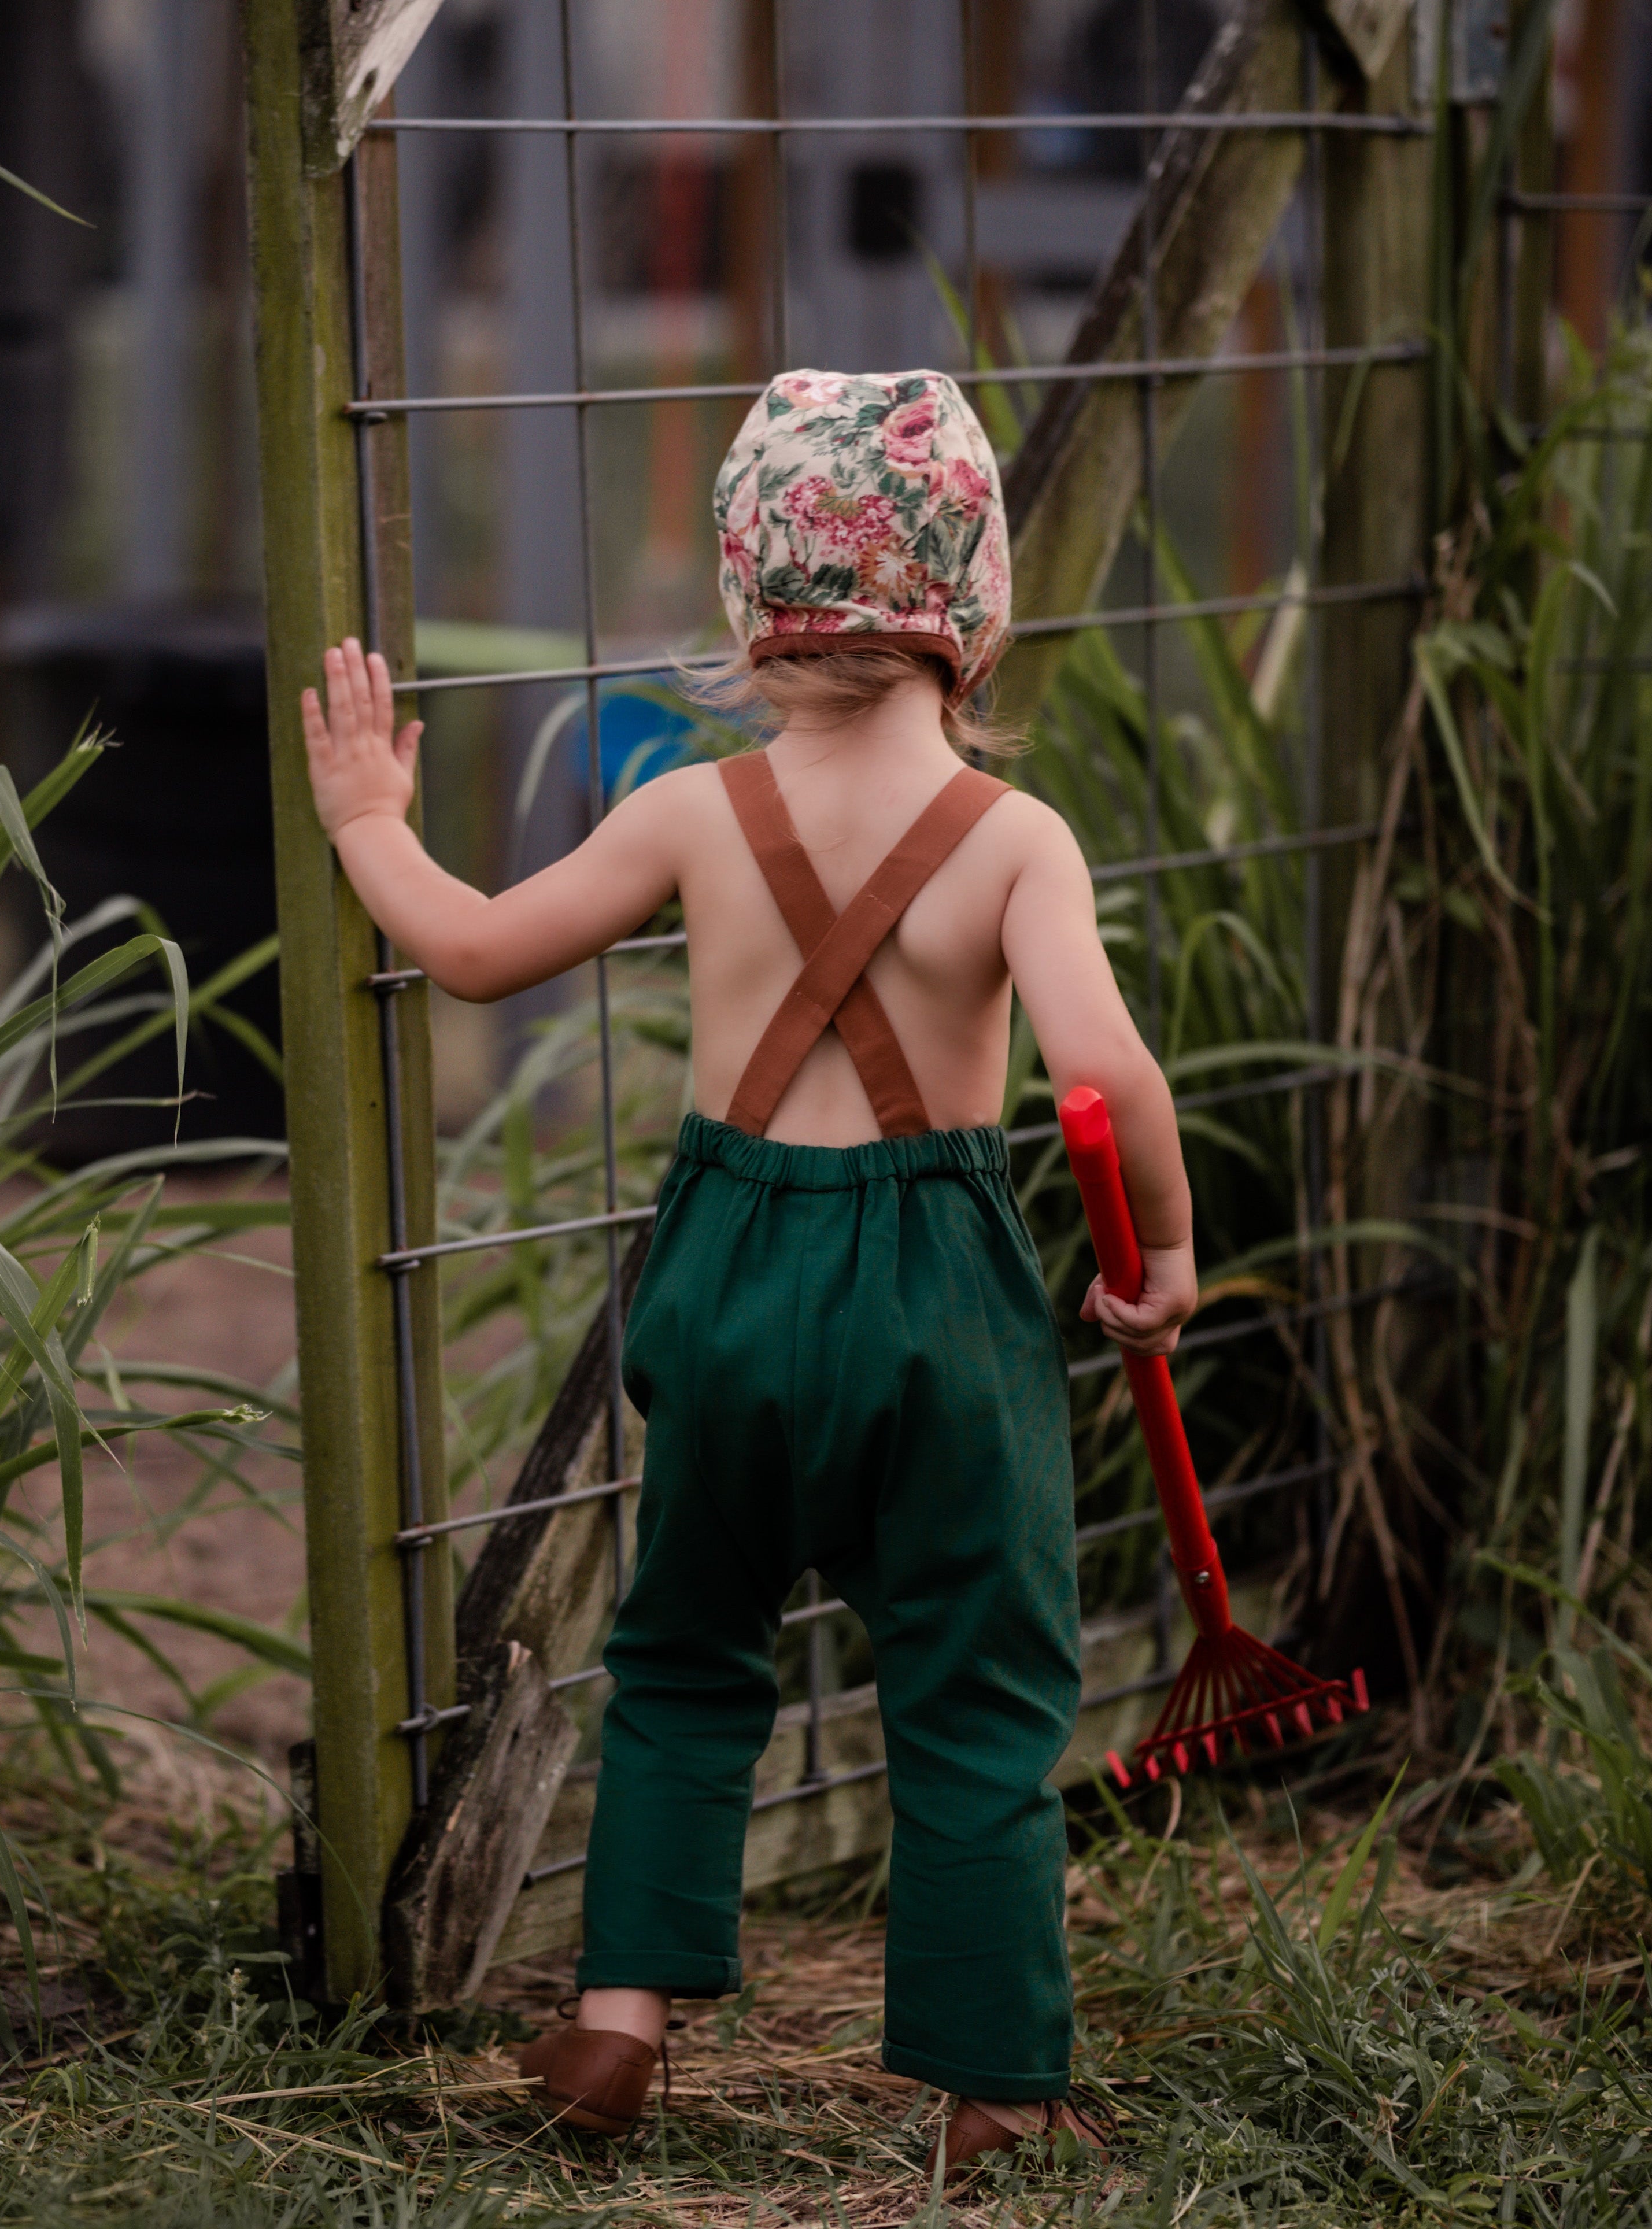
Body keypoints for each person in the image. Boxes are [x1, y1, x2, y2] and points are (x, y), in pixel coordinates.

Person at [300, 369, 1195, 2172]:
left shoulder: (696, 816)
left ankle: (619, 2021)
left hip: (725, 1278)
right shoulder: (1015, 844)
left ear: (744, 606)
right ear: (981, 606)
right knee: (976, 1682)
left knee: (690, 1649)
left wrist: (366, 821)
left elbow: (475, 953)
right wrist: (1156, 1249)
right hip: (935, 1297)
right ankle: (996, 2088)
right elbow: (1100, 1072)